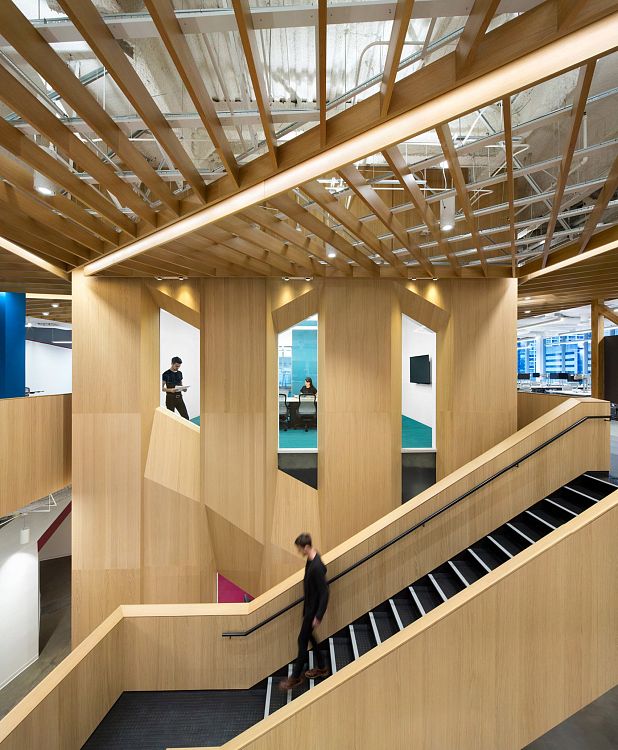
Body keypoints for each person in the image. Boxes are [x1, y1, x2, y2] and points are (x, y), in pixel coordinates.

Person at [279, 533, 329, 690]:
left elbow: (325, 593)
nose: (299, 551)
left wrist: (318, 616)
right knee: (310, 637)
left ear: (306, 547)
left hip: (312, 612)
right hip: (309, 608)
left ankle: (295, 678)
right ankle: (322, 667)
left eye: (300, 549)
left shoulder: (316, 567)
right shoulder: (311, 558)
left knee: (302, 641)